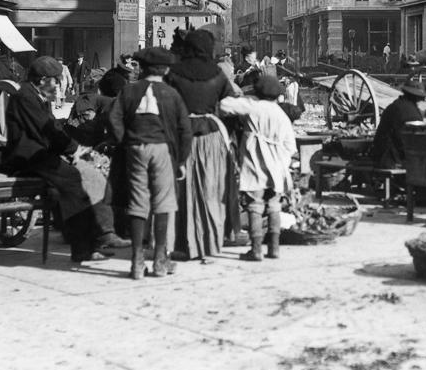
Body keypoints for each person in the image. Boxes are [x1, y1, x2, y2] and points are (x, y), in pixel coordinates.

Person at [0, 55, 116, 267]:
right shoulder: (26, 97)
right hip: (27, 157)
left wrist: (71, 149)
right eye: (55, 80)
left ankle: (91, 239)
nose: (57, 84)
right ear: (43, 79)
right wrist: (75, 149)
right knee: (75, 182)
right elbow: (47, 130)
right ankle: (83, 249)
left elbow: (52, 128)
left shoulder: (35, 94)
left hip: (38, 153)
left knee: (79, 177)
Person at [104, 47, 193, 279]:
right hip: (162, 149)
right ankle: (161, 261)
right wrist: (182, 159)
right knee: (163, 201)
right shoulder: (171, 94)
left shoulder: (129, 91)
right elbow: (185, 130)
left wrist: (125, 140)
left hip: (135, 149)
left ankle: (136, 261)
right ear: (165, 69)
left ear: (141, 68)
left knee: (137, 201)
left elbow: (113, 119)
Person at [167, 29, 236, 261]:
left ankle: (183, 244)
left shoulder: (174, 73)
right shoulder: (217, 73)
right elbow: (229, 105)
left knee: (182, 191)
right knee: (211, 190)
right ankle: (210, 243)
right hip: (211, 138)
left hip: (181, 137)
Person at [218, 75, 297, 262]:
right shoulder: (281, 115)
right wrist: (281, 163)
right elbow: (290, 146)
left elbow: (224, 105)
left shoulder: (253, 106)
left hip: (254, 162)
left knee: (254, 205)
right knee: (274, 206)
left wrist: (243, 97)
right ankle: (274, 248)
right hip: (277, 165)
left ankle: (255, 250)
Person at [368, 81, 426, 168]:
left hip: (386, 153)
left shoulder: (397, 105)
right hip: (393, 158)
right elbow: (409, 140)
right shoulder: (409, 111)